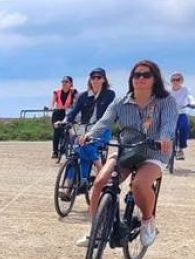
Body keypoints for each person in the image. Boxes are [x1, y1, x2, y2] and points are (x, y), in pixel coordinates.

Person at [75, 60, 177, 249]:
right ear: (131, 78)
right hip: (127, 151)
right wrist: (89, 135)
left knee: (139, 185)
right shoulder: (120, 102)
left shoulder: (166, 101)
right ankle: (95, 230)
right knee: (99, 183)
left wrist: (165, 138)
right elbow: (104, 122)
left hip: (153, 152)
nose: (140, 78)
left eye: (146, 75)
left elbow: (169, 125)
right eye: (136, 75)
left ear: (154, 79)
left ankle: (148, 222)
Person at [60, 67, 116, 198]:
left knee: (84, 145)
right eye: (93, 77)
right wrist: (65, 120)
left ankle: (98, 166)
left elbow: (110, 113)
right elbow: (74, 112)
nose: (95, 80)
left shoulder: (109, 94)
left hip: (102, 130)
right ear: (90, 80)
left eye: (99, 77)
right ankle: (70, 185)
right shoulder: (83, 96)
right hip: (85, 129)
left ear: (104, 80)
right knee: (75, 151)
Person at [50, 76, 78, 159]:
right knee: (57, 131)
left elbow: (79, 101)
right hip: (58, 113)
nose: (64, 83)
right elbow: (52, 102)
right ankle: (55, 151)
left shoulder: (74, 92)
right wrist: (51, 107)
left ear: (71, 84)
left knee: (72, 130)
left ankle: (74, 148)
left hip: (69, 113)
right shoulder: (56, 92)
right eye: (63, 82)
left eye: (66, 82)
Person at [169, 72, 190, 160]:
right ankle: (167, 153)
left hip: (182, 113)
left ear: (182, 81)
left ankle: (180, 148)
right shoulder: (168, 91)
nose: (175, 81)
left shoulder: (185, 89)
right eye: (173, 80)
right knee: (167, 130)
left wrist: (192, 103)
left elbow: (190, 97)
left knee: (184, 126)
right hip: (170, 114)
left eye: (178, 79)